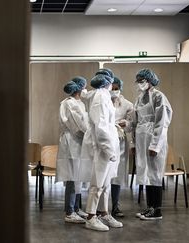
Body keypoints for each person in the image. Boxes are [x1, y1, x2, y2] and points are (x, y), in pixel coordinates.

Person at [79, 73, 123, 232]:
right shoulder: (100, 97)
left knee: (106, 183)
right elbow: (101, 126)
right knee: (97, 183)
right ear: (107, 82)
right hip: (102, 146)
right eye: (112, 82)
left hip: (108, 145)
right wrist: (109, 149)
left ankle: (103, 213)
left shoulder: (103, 95)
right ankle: (91, 217)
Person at [131, 69, 172, 220]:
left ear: (150, 80)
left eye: (142, 80)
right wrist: (133, 143)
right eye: (139, 80)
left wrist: (155, 145)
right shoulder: (139, 98)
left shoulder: (158, 96)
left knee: (154, 174)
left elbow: (162, 123)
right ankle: (150, 208)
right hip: (142, 140)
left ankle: (157, 210)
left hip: (154, 140)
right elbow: (135, 123)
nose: (140, 83)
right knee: (146, 174)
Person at [56, 77, 89, 223]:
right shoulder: (69, 104)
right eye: (84, 88)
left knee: (79, 176)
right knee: (72, 177)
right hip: (72, 143)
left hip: (79, 143)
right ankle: (69, 212)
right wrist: (91, 134)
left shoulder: (79, 103)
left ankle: (76, 208)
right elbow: (78, 125)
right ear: (79, 89)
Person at [109, 77, 134, 217]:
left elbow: (131, 125)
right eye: (111, 89)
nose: (113, 91)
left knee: (116, 176)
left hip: (120, 142)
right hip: (105, 142)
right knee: (103, 175)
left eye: (116, 88)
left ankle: (115, 206)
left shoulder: (128, 105)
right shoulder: (103, 102)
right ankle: (101, 208)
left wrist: (127, 124)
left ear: (120, 88)